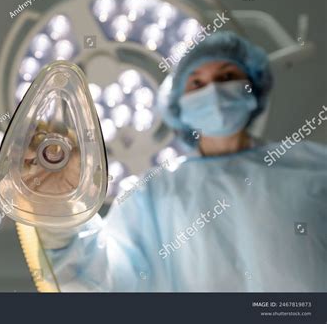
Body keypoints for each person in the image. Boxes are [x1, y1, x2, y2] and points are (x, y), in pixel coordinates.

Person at [36, 31, 327, 292]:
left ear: (253, 85)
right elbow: (101, 279)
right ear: (178, 104)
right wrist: (62, 211)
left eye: (227, 77)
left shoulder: (313, 165)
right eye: (197, 83)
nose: (213, 91)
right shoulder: (152, 194)